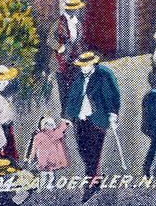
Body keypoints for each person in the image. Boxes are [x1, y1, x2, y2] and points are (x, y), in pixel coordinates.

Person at [62, 51, 121, 202]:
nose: (83, 68)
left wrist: (113, 115)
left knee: (94, 152)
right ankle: (96, 176)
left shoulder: (103, 76)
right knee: (83, 149)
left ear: (92, 64)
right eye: (81, 66)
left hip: (97, 120)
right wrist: (68, 117)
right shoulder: (79, 78)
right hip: (80, 119)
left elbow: (111, 96)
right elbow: (72, 97)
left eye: (85, 65)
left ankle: (91, 183)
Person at [53, 0, 84, 97]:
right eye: (74, 8)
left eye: (77, 8)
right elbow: (49, 39)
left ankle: (73, 110)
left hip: (75, 58)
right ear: (68, 9)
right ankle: (64, 111)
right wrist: (58, 47)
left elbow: (79, 39)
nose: (76, 10)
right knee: (63, 89)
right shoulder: (59, 22)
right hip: (62, 60)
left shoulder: (77, 23)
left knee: (75, 86)